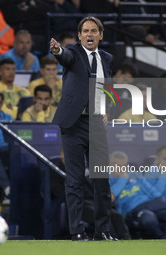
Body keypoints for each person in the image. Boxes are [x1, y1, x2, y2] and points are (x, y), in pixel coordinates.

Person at [50, 16, 115, 241]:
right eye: (85, 31)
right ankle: (77, 231)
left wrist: (106, 108)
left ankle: (103, 230)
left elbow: (107, 88)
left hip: (97, 124)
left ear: (100, 35)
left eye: (93, 31)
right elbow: (64, 57)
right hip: (74, 124)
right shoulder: (73, 53)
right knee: (75, 180)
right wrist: (58, 51)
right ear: (79, 36)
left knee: (102, 181)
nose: (89, 34)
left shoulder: (107, 58)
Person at [109, 151, 166, 239]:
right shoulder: (108, 179)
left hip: (149, 202)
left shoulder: (134, 174)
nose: (122, 169)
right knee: (149, 218)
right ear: (111, 165)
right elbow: (111, 196)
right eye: (118, 166)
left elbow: (149, 188)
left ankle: (165, 240)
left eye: (124, 166)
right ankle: (161, 241)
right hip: (133, 209)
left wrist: (160, 200)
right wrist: (122, 179)